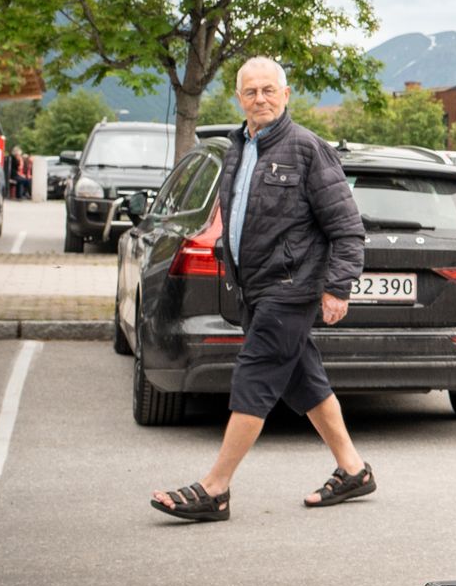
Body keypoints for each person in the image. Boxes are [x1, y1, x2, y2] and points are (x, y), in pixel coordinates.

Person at [150, 56, 373, 522]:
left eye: (269, 90)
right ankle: (354, 469)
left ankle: (215, 489)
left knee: (253, 378)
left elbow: (347, 227)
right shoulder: (236, 147)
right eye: (251, 92)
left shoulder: (308, 149)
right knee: (303, 379)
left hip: (290, 289)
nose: (261, 99)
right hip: (253, 288)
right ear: (239, 98)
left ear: (286, 94)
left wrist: (337, 287)